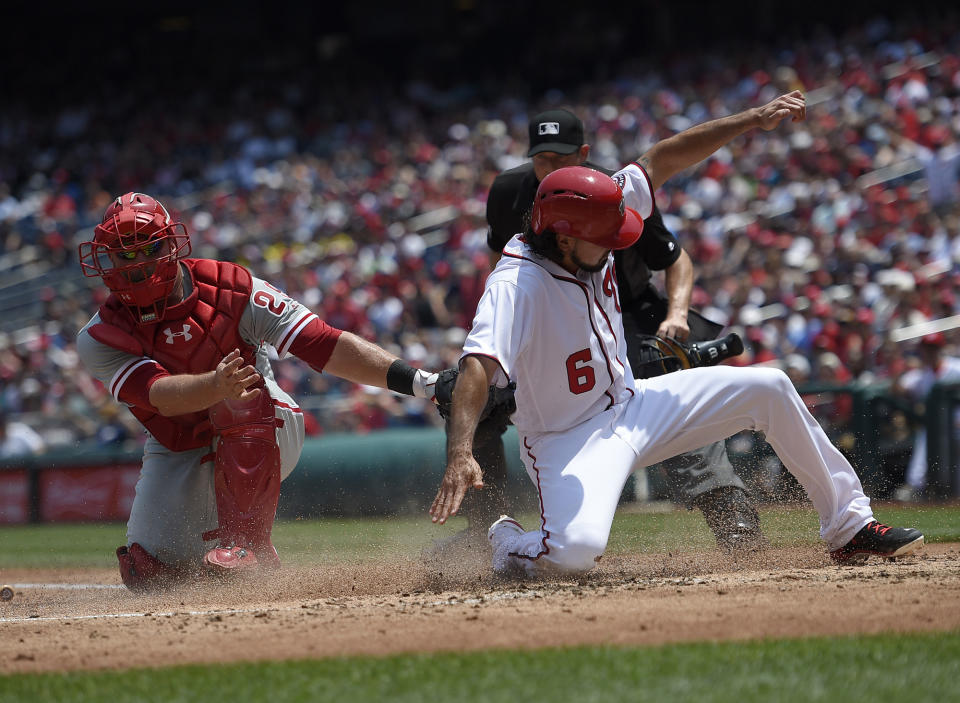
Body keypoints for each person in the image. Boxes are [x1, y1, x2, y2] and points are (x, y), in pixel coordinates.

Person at [430, 163, 924, 577]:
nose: (614, 245)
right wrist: (459, 453)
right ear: (563, 237)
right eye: (603, 237)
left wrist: (753, 118)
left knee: (769, 387)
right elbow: (478, 364)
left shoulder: (585, 214)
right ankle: (506, 541)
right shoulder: (515, 283)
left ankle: (849, 527)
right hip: (568, 440)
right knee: (573, 555)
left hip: (636, 404)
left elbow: (662, 158)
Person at [76, 192, 439, 591]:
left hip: (265, 423)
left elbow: (322, 343)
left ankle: (249, 544)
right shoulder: (99, 337)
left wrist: (421, 382)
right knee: (149, 574)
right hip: (179, 443)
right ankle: (216, 567)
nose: (136, 265)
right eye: (123, 255)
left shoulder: (232, 288)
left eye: (146, 249)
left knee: (241, 395)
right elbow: (158, 394)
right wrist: (214, 385)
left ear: (169, 245)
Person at [892, 333, 960, 501]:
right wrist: (899, 366)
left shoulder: (956, 367)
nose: (930, 352)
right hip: (935, 429)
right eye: (926, 349)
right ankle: (916, 488)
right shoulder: (922, 374)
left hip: (957, 426)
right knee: (925, 439)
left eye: (933, 348)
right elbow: (898, 389)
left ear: (940, 349)